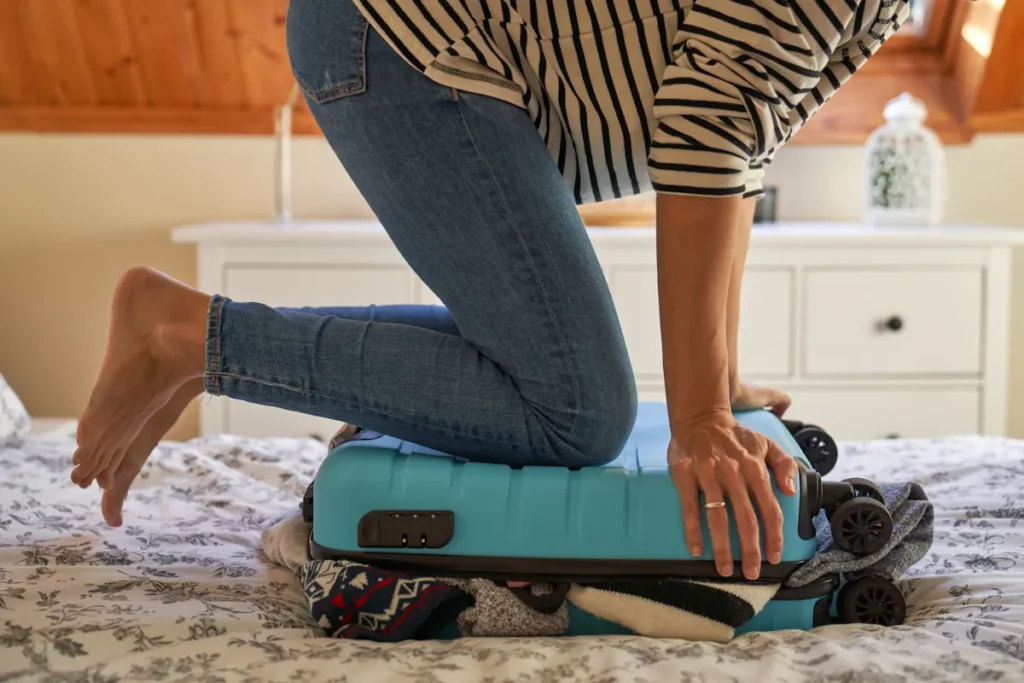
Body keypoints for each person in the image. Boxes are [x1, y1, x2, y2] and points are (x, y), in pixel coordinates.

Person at [70, 0, 910, 583]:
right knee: (577, 412)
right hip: (408, 38)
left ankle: (196, 333)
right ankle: (186, 337)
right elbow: (709, 124)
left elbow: (739, 132)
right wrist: (698, 421)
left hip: (424, 45)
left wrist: (718, 392)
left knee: (555, 386)